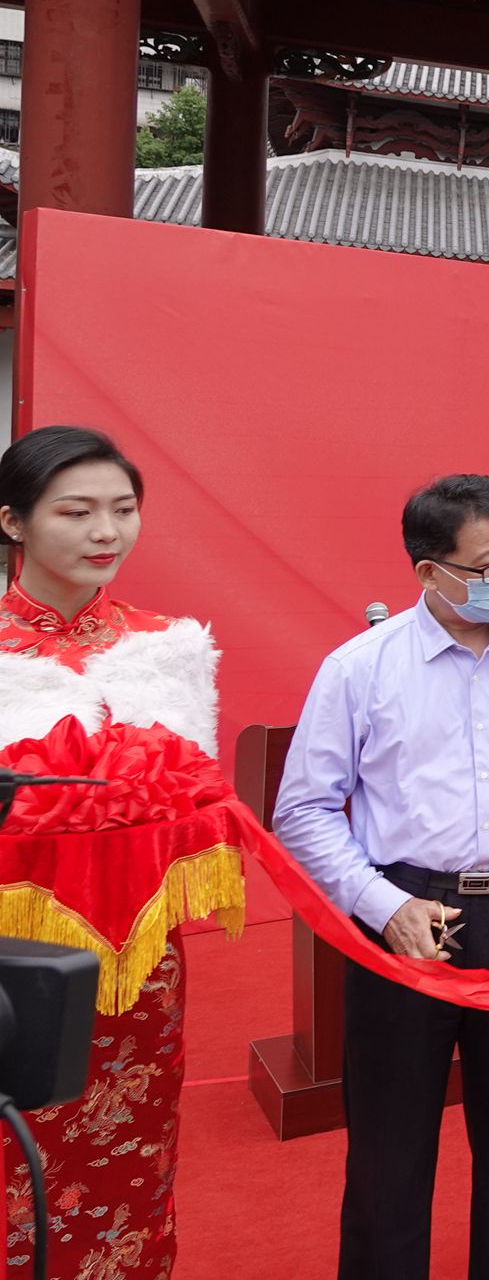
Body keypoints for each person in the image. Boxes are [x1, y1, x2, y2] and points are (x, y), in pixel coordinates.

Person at [275, 475, 489, 1280]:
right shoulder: (360, 668)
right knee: (389, 1146)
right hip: (403, 916)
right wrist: (382, 903)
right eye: (488, 565)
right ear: (428, 570)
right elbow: (304, 810)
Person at [0, 426, 218, 1280]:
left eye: (123, 509)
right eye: (76, 511)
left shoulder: (168, 644)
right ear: (12, 521)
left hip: (137, 965)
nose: (106, 532)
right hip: (10, 955)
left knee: (131, 1150)